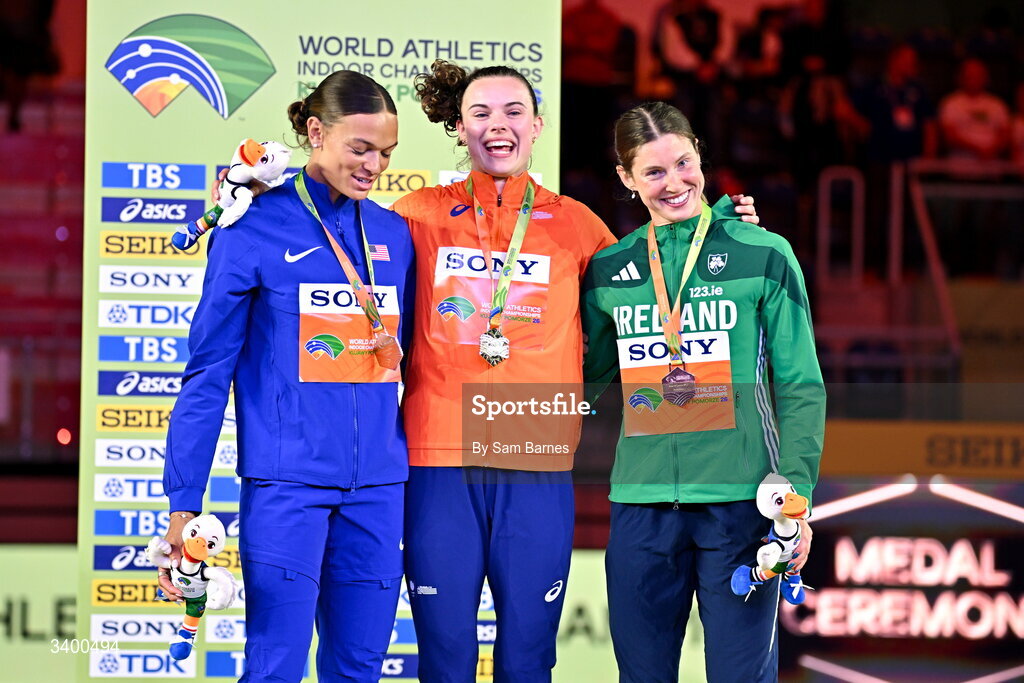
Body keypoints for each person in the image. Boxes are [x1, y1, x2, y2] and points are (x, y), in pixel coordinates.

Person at [390, 62, 760, 682]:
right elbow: (341, 254)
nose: (498, 126)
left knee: (530, 657)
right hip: (438, 460)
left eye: (514, 112)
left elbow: (661, 282)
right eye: (480, 113)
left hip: (536, 456)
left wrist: (722, 233)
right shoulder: (416, 215)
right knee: (444, 656)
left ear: (537, 125)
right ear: (458, 126)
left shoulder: (578, 225)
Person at [157, 70, 415, 682]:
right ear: (315, 132)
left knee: (359, 669)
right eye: (360, 148)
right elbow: (206, 375)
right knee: (274, 668)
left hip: (379, 492)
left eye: (386, 152)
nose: (374, 165)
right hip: (286, 490)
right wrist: (181, 505)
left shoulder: (394, 233)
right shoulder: (250, 227)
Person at [581, 101, 825, 682]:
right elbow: (586, 374)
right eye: (654, 172)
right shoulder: (610, 267)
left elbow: (800, 384)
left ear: (700, 159)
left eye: (684, 164)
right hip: (641, 506)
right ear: (626, 178)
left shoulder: (762, 251)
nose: (675, 183)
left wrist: (794, 500)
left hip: (740, 505)